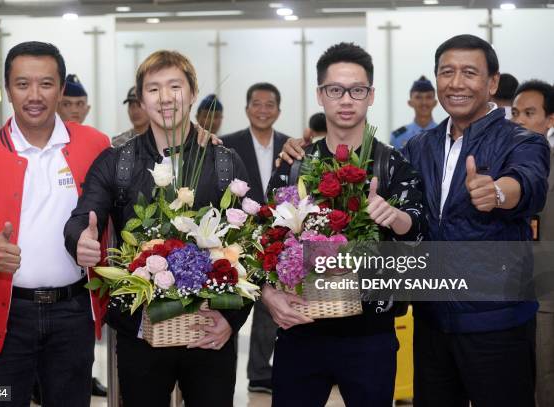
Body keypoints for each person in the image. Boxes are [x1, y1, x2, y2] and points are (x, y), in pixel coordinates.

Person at [64, 49, 253, 407]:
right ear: (140, 98)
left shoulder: (225, 162)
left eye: (174, 87)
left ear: (193, 93)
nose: (165, 98)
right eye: (153, 89)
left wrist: (231, 320)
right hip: (141, 332)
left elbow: (252, 247)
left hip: (210, 332)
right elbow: (83, 216)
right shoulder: (117, 162)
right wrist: (79, 240)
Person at [263, 42, 426, 406]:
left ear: (370, 96)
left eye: (357, 90)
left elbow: (419, 233)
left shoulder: (392, 163)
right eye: (335, 90)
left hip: (371, 335)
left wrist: (395, 217)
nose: (346, 99)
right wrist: (268, 294)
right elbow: (265, 241)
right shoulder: (294, 165)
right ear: (321, 95)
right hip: (300, 330)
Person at [0, 41, 110, 406]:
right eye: (22, 84)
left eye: (46, 84)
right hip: (4, 318)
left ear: (60, 88)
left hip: (73, 312)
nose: (34, 95)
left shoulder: (94, 144)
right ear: (7, 89)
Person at [401, 34, 548, 407]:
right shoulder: (419, 146)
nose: (456, 82)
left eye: (470, 72)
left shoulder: (522, 140)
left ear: (492, 83)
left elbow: (528, 183)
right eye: (447, 72)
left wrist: (497, 192)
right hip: (432, 321)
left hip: (497, 322)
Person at [220, 82, 289, 393]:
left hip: (275, 237)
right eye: (257, 104)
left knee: (268, 304)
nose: (263, 110)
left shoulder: (291, 147)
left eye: (270, 104)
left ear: (278, 110)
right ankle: (222, 371)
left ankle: (260, 372)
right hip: (236, 236)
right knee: (229, 301)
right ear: (247, 108)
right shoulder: (227, 145)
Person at [52, 72, 108, 401]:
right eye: (67, 104)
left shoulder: (97, 142)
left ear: (87, 108)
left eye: (79, 104)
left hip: (81, 267)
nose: (73, 110)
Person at [511, 80, 554, 407]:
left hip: (547, 290)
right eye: (515, 113)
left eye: (530, 113)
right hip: (506, 290)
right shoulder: (499, 164)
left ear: (550, 119)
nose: (520, 120)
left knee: (545, 376)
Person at [389, 75, 438, 150]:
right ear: (410, 102)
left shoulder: (443, 134)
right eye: (418, 97)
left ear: (435, 103)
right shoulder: (398, 136)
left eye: (428, 97)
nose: (424, 102)